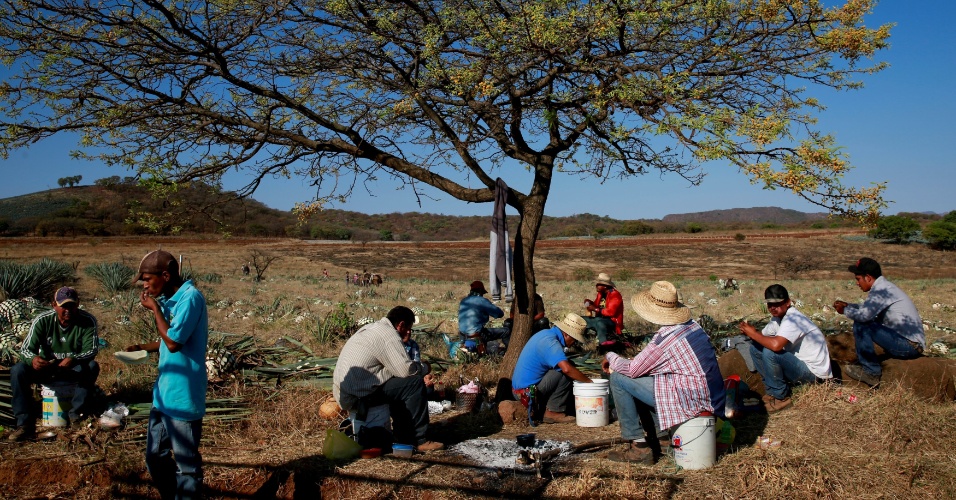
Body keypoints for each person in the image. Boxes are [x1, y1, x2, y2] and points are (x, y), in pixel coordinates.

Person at [602, 281, 725, 464]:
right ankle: (663, 439)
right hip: (711, 396)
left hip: (692, 401)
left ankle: (639, 446)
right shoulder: (693, 326)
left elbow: (632, 369)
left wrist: (610, 356)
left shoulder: (666, 340)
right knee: (650, 378)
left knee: (620, 378)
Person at [124, 250, 209, 499]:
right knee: (155, 457)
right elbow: (169, 337)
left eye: (148, 279)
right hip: (163, 395)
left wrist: (154, 309)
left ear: (165, 275)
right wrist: (142, 347)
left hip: (183, 395)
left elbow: (173, 343)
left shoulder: (190, 299)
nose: (146, 286)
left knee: (187, 467)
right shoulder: (172, 299)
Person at [333, 306, 444, 452]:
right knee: (414, 383)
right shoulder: (390, 336)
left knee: (400, 385)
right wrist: (424, 368)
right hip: (359, 395)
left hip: (346, 393)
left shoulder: (373, 328)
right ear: (401, 325)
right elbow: (407, 371)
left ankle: (403, 435)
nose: (408, 332)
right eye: (408, 327)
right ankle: (419, 440)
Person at [7, 287, 100, 441]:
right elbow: (25, 349)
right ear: (54, 305)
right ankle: (24, 422)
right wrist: (34, 360)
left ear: (78, 303)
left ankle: (76, 414)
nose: (68, 310)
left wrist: (74, 359)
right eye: (63, 306)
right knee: (18, 370)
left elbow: (91, 350)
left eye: (72, 305)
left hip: (71, 368)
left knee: (92, 366)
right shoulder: (43, 320)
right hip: (46, 369)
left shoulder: (87, 321)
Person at [738, 285, 832, 413]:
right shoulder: (777, 319)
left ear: (788, 302)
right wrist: (751, 332)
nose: (772, 308)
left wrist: (753, 334)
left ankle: (781, 397)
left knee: (771, 351)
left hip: (813, 373)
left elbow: (775, 345)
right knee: (756, 348)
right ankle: (772, 390)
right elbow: (763, 337)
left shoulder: (794, 319)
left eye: (777, 304)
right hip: (797, 364)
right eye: (770, 304)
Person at [833, 257, 925, 387]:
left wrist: (845, 310)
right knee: (863, 321)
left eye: (858, 279)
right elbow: (869, 309)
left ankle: (871, 372)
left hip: (909, 345)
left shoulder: (881, 291)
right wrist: (849, 306)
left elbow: (865, 316)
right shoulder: (884, 288)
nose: (857, 283)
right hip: (906, 341)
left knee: (862, 323)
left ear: (868, 277)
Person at [511, 313, 593, 424]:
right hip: (526, 393)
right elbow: (566, 369)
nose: (574, 343)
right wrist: (589, 382)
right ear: (566, 334)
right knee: (565, 373)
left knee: (567, 366)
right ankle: (553, 412)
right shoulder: (550, 343)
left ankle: (553, 406)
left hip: (522, 390)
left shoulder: (546, 334)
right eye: (574, 339)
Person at [458, 280, 508, 353]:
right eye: (482, 293)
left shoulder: (464, 301)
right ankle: (510, 352)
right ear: (480, 291)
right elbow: (499, 314)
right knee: (506, 331)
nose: (482, 295)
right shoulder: (482, 301)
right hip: (476, 335)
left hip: (463, 336)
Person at [583, 273, 624, 343]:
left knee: (600, 323)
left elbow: (611, 312)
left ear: (605, 286)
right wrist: (589, 303)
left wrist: (595, 309)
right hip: (600, 319)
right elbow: (596, 305)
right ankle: (583, 340)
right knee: (581, 320)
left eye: (599, 284)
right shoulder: (600, 294)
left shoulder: (615, 295)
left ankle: (603, 344)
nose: (596, 286)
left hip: (613, 322)